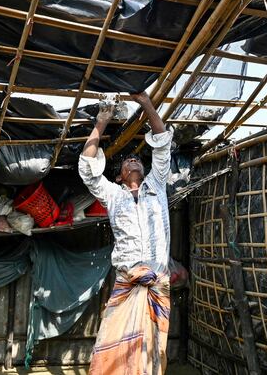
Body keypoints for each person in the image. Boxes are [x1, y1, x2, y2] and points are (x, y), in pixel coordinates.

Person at [78, 91, 172, 375]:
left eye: (137, 161)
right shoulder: (113, 195)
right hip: (126, 282)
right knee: (113, 347)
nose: (134, 161)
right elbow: (87, 169)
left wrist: (147, 104)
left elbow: (163, 146)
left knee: (152, 352)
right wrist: (102, 120)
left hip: (156, 285)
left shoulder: (157, 186)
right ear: (118, 175)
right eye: (128, 161)